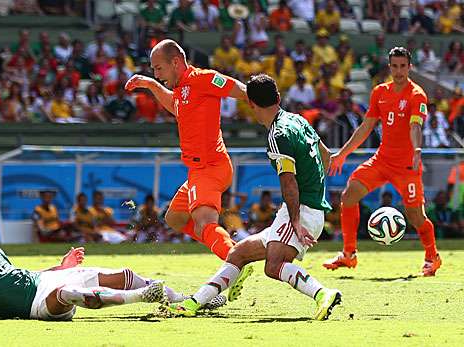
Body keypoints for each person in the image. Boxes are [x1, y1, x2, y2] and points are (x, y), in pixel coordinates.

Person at [166, 74, 341, 320]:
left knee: (273, 266)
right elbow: (325, 154)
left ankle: (323, 293)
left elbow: (288, 182)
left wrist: (297, 221)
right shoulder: (298, 120)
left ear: (251, 104)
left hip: (300, 212)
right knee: (238, 253)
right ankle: (193, 304)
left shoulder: (277, 135)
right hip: (302, 208)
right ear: (278, 98)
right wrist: (315, 189)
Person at [0, 208, 225, 322]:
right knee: (71, 292)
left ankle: (193, 301)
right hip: (37, 305)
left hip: (44, 282)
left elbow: (24, 276)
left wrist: (61, 264)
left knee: (125, 275)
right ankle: (143, 299)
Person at [124, 39, 248, 264]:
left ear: (175, 62)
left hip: (209, 167)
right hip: (199, 170)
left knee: (203, 222)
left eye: (158, 68)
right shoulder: (182, 89)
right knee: (174, 218)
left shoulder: (201, 78)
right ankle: (223, 244)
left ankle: (234, 258)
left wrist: (264, 104)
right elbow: (175, 106)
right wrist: (151, 85)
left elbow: (238, 89)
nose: (157, 73)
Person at [323, 47, 441, 277]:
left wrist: (417, 149)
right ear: (390, 67)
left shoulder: (417, 95)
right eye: (394, 66)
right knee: (349, 196)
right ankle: (349, 255)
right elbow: (366, 127)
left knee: (416, 216)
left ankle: (432, 256)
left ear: (410, 67)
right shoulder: (379, 92)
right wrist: (343, 153)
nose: (398, 71)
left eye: (403, 66)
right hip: (381, 160)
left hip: (407, 166)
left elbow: (415, 126)